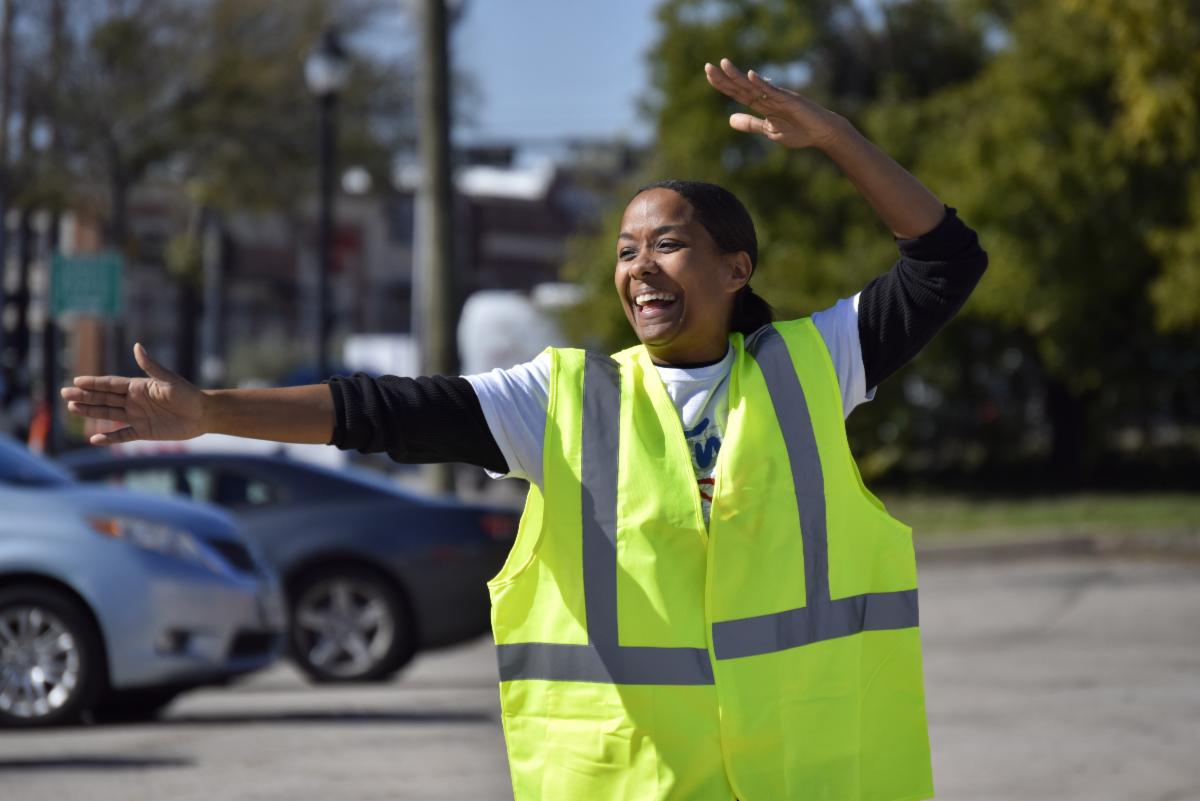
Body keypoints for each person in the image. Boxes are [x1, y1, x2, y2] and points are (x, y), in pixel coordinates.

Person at [64, 58, 986, 801]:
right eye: (625, 250)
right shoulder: (566, 399)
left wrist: (834, 136)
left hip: (806, 777)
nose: (640, 267)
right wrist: (213, 412)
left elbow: (946, 260)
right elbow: (385, 410)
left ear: (736, 268)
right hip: (637, 783)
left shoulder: (813, 367)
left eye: (668, 243)